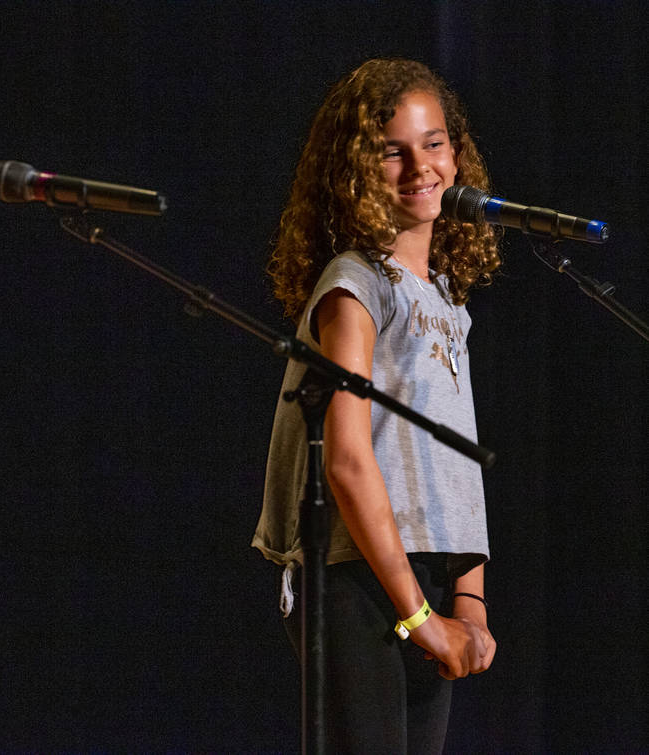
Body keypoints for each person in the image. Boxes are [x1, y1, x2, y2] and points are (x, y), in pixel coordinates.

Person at [252, 58, 501, 753]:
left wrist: (469, 601)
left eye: (435, 142)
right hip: (356, 575)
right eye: (392, 150)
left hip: (418, 572)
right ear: (357, 169)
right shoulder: (353, 284)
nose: (420, 165)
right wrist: (419, 616)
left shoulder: (446, 298)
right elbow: (349, 462)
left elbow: (458, 456)